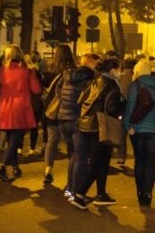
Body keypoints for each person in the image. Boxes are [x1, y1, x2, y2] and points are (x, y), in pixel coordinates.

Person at [70, 58, 123, 209]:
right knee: (98, 161)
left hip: (87, 124)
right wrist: (122, 109)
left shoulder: (95, 80)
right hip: (101, 125)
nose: (121, 72)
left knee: (102, 160)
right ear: (112, 69)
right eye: (119, 69)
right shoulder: (111, 84)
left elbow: (82, 101)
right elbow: (112, 108)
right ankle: (80, 195)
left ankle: (101, 194)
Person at [53, 52, 99, 198]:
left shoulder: (67, 75)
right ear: (91, 63)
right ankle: (75, 191)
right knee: (81, 156)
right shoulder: (90, 78)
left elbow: (58, 92)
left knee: (73, 154)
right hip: (77, 120)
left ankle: (69, 187)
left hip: (63, 118)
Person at [123, 58, 155, 207]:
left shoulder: (136, 85)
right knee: (150, 161)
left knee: (139, 160)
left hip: (138, 129)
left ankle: (140, 191)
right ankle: (148, 192)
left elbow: (130, 107)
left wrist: (128, 126)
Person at [0, 45, 42, 181]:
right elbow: (36, 90)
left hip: (4, 106)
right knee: (15, 139)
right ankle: (3, 167)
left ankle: (16, 167)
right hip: (20, 107)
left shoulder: (1, 71)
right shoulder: (27, 71)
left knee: (11, 138)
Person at [42, 45, 76, 185]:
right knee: (71, 141)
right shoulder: (73, 70)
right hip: (67, 110)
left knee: (52, 140)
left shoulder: (50, 69)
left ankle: (48, 171)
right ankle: (72, 170)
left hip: (51, 109)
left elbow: (42, 87)